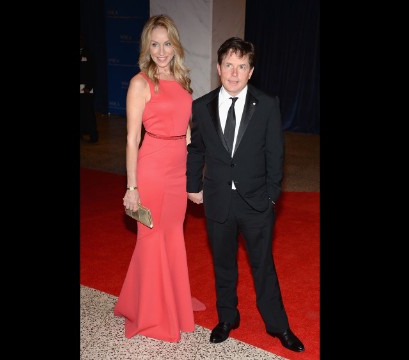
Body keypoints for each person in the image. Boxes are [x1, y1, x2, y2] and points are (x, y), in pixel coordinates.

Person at [186, 37, 305, 352]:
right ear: (218, 67)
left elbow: (275, 154)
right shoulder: (201, 106)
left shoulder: (266, 104)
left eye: (242, 66)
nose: (234, 73)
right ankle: (227, 318)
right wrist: (193, 186)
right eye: (229, 65)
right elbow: (195, 149)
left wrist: (271, 196)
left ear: (251, 71)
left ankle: (278, 325)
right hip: (217, 200)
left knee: (263, 265)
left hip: (256, 202)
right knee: (223, 264)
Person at [114, 14, 204, 343]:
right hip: (152, 166)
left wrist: (196, 174)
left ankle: (175, 301)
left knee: (172, 236)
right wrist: (132, 187)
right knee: (150, 238)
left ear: (175, 46)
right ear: (146, 47)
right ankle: (152, 313)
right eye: (155, 44)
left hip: (178, 167)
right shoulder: (140, 83)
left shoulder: (182, 81)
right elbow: (130, 138)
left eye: (167, 44)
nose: (161, 51)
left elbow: (188, 131)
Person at [80, 31, 99, 143]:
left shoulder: (89, 54)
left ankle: (93, 135)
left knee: (88, 112)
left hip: (87, 89)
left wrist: (89, 86)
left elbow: (92, 72)